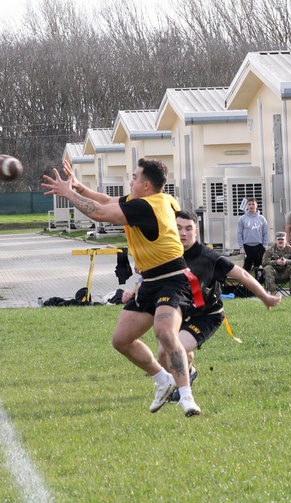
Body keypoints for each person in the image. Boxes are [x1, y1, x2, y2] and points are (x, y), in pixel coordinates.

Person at [42, 158, 202, 417]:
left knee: (165, 332)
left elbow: (100, 212)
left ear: (146, 185)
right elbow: (108, 201)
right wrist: (80, 188)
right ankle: (163, 381)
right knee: (121, 340)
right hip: (149, 280)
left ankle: (186, 397)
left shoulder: (145, 207)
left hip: (172, 279)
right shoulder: (164, 199)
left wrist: (68, 194)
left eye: (134, 178)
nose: (131, 181)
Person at [135, 210, 280, 402]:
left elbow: (242, 275)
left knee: (166, 351)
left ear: (196, 231)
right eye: (178, 228)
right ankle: (189, 370)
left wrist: (265, 296)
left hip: (206, 316)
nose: (183, 233)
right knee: (166, 353)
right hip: (178, 312)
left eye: (188, 228)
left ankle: (184, 387)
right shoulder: (165, 254)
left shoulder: (209, 257)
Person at [236, 198, 268, 278]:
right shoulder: (242, 219)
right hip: (247, 247)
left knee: (259, 270)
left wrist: (264, 246)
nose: (251, 206)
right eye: (249, 204)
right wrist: (241, 248)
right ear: (247, 206)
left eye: (253, 204)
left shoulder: (262, 219)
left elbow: (265, 233)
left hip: (259, 246)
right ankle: (246, 288)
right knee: (246, 269)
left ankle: (259, 286)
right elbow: (239, 234)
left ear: (256, 206)